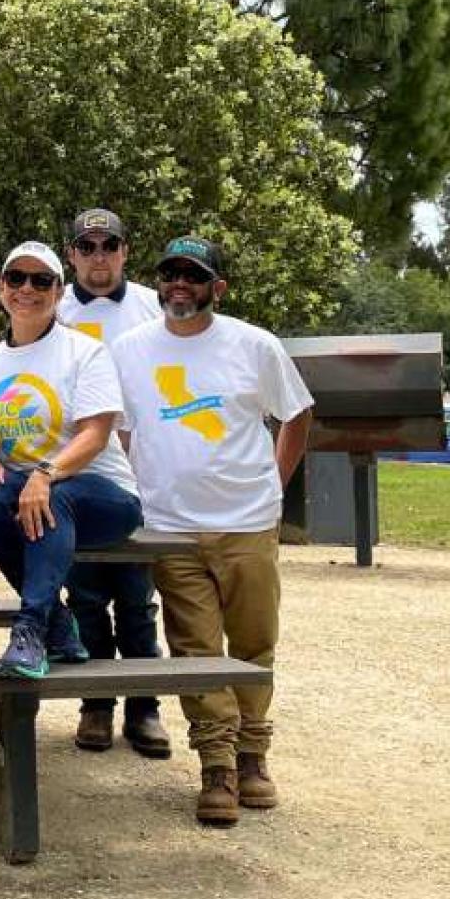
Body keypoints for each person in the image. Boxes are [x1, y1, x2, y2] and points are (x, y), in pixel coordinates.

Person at [111, 236, 312, 827]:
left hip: (247, 520)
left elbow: (297, 414)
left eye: (193, 276)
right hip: (169, 526)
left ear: (216, 288)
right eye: (170, 273)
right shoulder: (129, 350)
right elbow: (120, 429)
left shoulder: (255, 345)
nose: (180, 284)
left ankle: (254, 755)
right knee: (195, 651)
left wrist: (275, 483)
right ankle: (217, 767)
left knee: (253, 644)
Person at [0, 241, 144, 683]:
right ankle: (59, 624)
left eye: (42, 280)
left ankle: (32, 628)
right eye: (16, 278)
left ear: (59, 292)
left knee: (54, 500)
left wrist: (46, 473)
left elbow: (96, 434)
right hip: (28, 491)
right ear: (1, 288)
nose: (28, 288)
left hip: (101, 492)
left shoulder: (84, 352)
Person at [54, 208, 171, 758]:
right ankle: (96, 703)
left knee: (136, 600)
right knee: (84, 596)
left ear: (126, 250)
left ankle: (144, 707)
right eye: (87, 246)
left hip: (139, 477)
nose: (98, 257)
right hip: (78, 477)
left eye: (109, 245)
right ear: (72, 254)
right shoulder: (52, 308)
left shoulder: (154, 306)